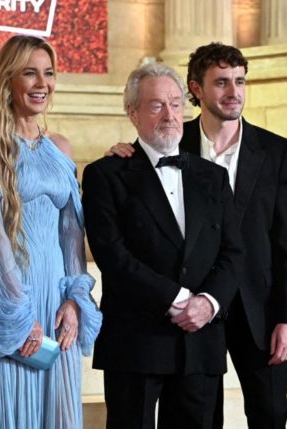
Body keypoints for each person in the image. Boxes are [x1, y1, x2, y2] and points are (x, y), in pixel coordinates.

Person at [106, 43, 287, 428]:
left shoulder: (276, 150)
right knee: (201, 416)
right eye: (222, 83)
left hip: (255, 308)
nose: (234, 92)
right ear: (195, 89)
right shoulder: (171, 138)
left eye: (240, 81)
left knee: (270, 413)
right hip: (191, 309)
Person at [83, 62, 243, 429]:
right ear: (133, 112)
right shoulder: (105, 174)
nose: (170, 115)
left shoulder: (213, 177)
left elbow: (234, 252)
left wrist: (208, 303)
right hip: (136, 340)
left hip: (201, 338)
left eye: (175, 103)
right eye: (156, 105)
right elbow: (112, 255)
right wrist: (178, 299)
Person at [0, 35, 102, 429]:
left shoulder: (61, 147)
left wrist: (75, 297)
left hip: (56, 303)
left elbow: (72, 233)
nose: (42, 83)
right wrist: (18, 312)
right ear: (8, 80)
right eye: (30, 73)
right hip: (8, 303)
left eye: (49, 73)